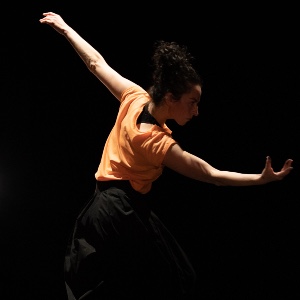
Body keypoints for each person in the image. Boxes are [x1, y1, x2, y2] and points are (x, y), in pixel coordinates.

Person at [39, 12, 293, 300]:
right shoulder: (156, 143)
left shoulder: (134, 98)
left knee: (171, 276)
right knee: (163, 280)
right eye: (192, 103)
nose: (196, 111)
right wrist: (261, 179)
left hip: (107, 208)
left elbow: (96, 63)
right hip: (119, 213)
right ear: (171, 98)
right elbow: (212, 175)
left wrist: (66, 28)